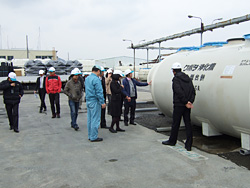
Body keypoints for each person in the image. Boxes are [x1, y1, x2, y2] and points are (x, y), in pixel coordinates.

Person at [162, 62, 196, 151]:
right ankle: (189, 145)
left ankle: (172, 141)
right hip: (187, 105)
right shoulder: (188, 79)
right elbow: (193, 91)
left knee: (176, 123)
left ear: (173, 71)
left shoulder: (176, 79)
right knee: (188, 124)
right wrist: (189, 102)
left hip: (179, 104)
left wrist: (185, 102)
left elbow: (178, 91)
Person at [85, 65, 106, 142]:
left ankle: (90, 135)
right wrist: (102, 102)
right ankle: (94, 136)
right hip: (95, 101)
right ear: (98, 71)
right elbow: (99, 92)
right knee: (95, 119)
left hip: (88, 100)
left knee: (90, 119)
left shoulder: (87, 78)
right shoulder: (96, 79)